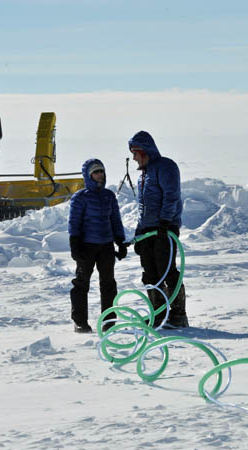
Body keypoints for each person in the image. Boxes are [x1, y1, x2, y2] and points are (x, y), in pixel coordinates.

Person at [128, 131, 188, 328]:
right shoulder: (143, 175)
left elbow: (171, 195)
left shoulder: (166, 167)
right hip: (148, 231)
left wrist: (165, 221)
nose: (134, 158)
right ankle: (158, 314)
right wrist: (139, 233)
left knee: (167, 271)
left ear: (144, 151)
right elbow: (143, 207)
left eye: (135, 153)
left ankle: (177, 315)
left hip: (164, 229)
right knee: (150, 274)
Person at [68, 158, 127, 333]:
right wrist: (74, 244)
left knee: (108, 284)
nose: (100, 175)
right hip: (87, 246)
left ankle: (109, 321)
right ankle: (80, 322)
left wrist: (120, 241)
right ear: (88, 175)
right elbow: (74, 223)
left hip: (106, 246)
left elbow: (115, 220)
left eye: (101, 171)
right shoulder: (80, 197)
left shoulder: (109, 196)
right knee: (81, 284)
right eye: (96, 172)